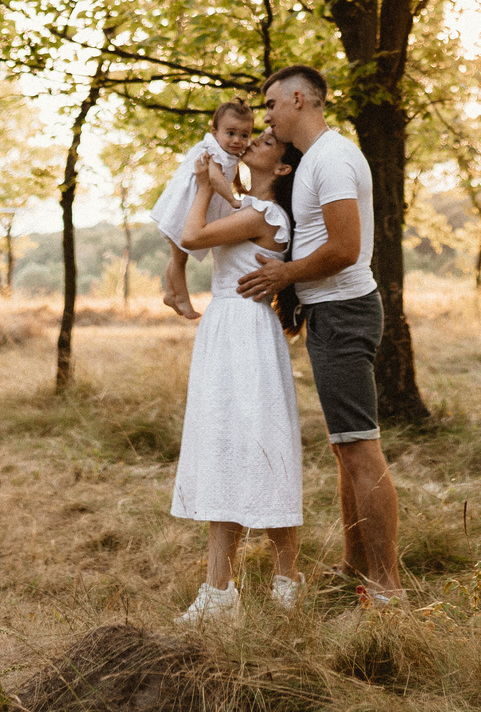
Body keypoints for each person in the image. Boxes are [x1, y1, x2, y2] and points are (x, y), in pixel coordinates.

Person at [235, 64, 403, 601]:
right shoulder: (315, 162)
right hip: (331, 313)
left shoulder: (331, 159)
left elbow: (344, 248)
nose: (267, 118)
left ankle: (387, 587)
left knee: (360, 448)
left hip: (345, 311)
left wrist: (283, 274)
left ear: (299, 99)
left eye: (271, 106)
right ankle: (357, 568)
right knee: (345, 446)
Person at [169, 122, 305, 623]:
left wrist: (206, 187)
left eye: (267, 142)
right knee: (230, 446)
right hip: (231, 329)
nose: (253, 142)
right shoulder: (250, 206)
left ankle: (250, 587)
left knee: (251, 446)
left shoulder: (266, 213)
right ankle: (239, 587)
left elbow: (192, 234)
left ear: (284, 166)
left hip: (242, 331)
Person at [156, 102, 253, 322]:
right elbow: (216, 177)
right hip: (185, 207)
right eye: (231, 133)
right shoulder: (211, 149)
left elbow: (232, 170)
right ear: (214, 132)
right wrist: (232, 199)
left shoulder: (229, 151)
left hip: (194, 206)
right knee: (179, 257)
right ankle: (181, 298)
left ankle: (171, 294)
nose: (238, 140)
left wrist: (238, 186)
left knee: (176, 254)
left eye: (244, 135)